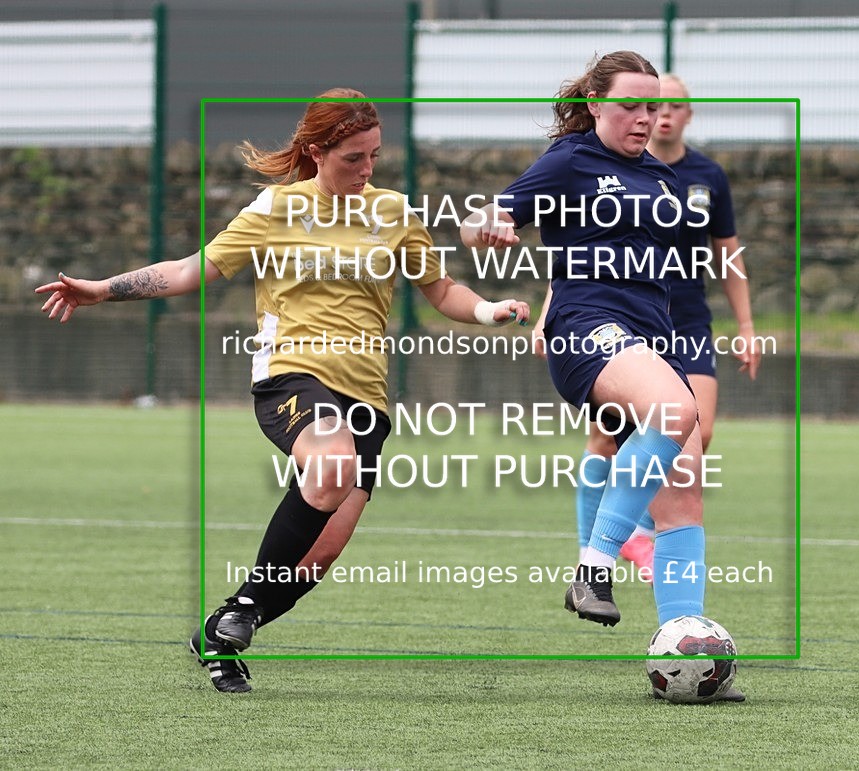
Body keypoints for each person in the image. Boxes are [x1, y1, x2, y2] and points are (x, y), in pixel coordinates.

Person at [36, 88, 529, 694]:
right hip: (292, 375)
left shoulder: (395, 213)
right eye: (353, 157)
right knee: (329, 466)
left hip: (367, 399)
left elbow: (441, 290)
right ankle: (239, 614)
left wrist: (488, 312)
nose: (367, 169)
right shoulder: (276, 209)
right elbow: (190, 270)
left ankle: (222, 627)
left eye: (374, 155)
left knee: (315, 558)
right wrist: (102, 289)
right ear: (316, 152)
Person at [461, 52, 742, 701]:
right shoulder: (570, 161)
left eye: (652, 106)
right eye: (630, 106)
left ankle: (684, 650)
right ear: (594, 103)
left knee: (685, 486)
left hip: (653, 338)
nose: (645, 118)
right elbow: (486, 219)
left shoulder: (665, 182)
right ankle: (593, 564)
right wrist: (491, 227)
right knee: (677, 413)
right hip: (590, 330)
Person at [550, 73, 761, 577]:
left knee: (698, 431)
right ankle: (596, 552)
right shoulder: (595, 168)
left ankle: (639, 534)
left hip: (684, 319)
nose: (659, 115)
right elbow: (575, 254)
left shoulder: (706, 176)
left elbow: (728, 257)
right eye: (648, 105)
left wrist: (747, 323)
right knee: (608, 437)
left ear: (689, 114)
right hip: (617, 323)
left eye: (671, 106)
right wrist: (549, 315)